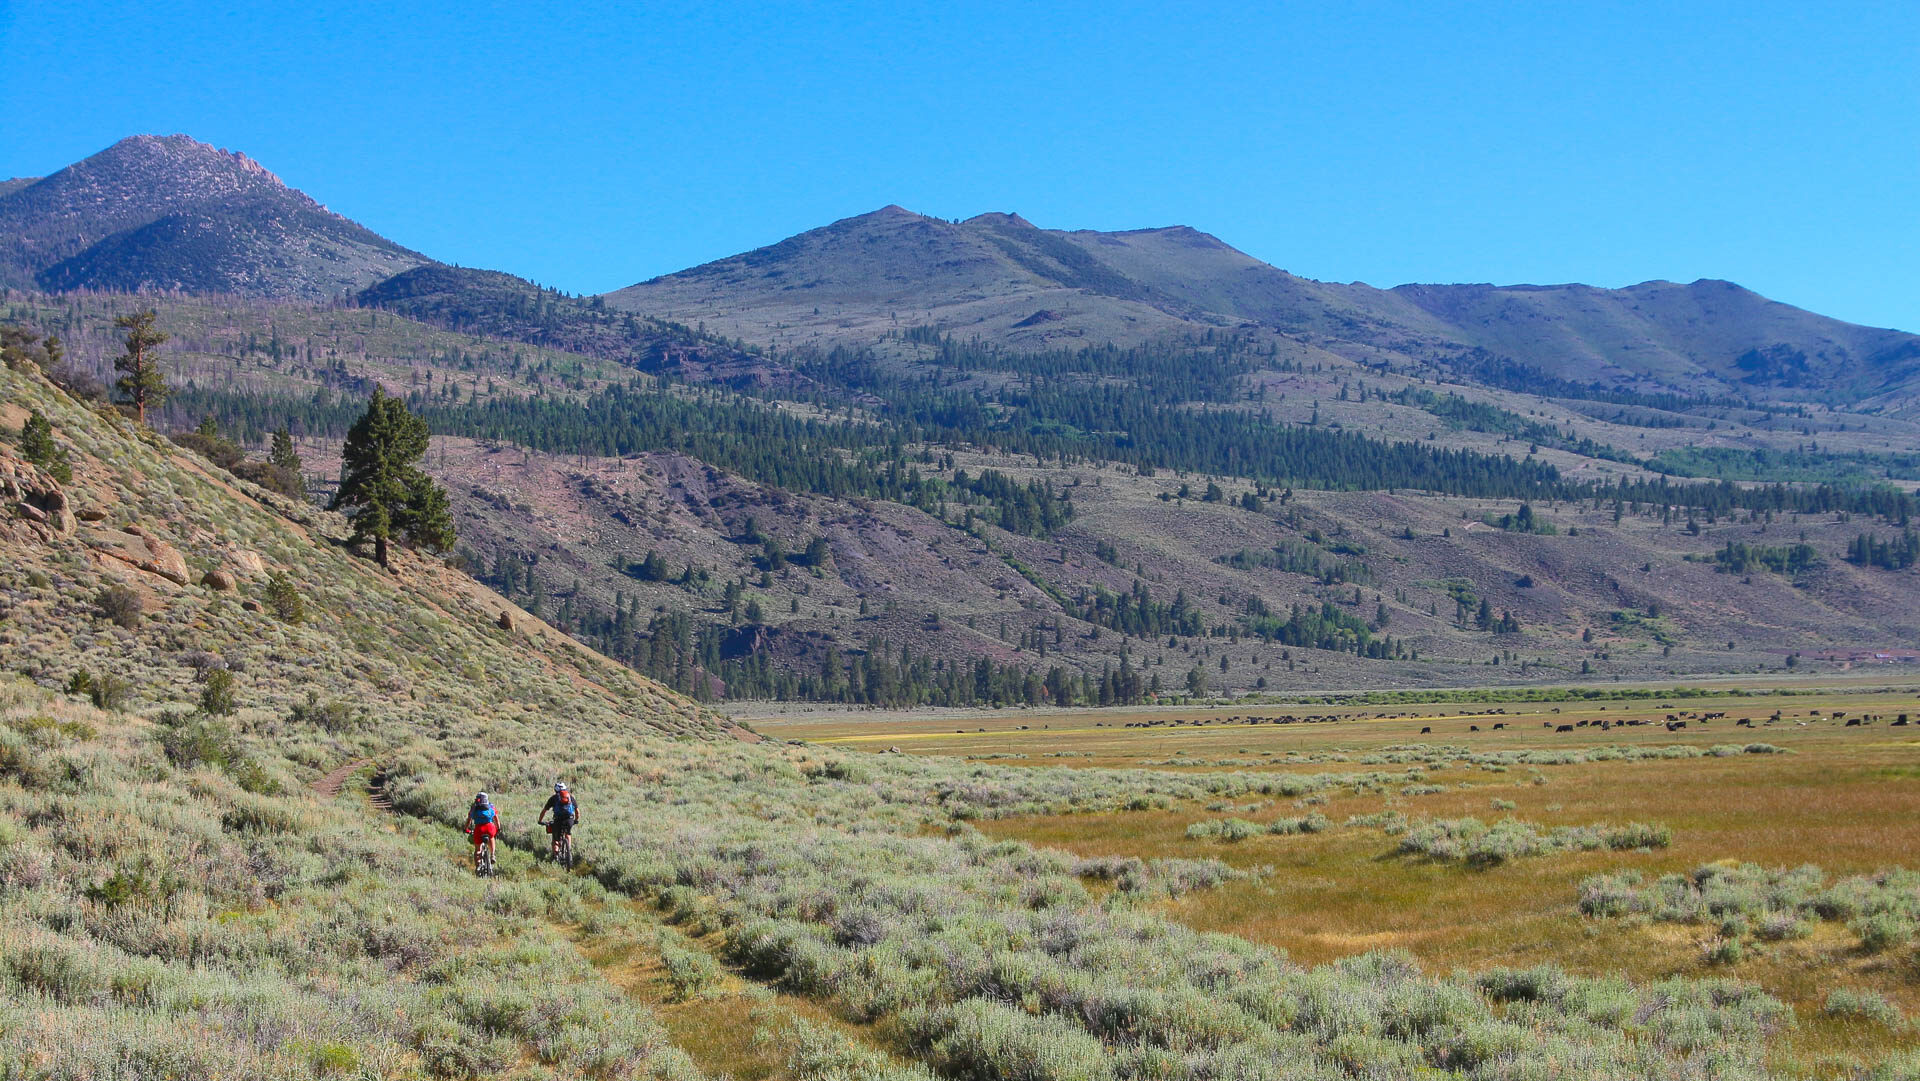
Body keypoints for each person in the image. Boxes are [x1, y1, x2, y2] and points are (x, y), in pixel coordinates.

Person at [538, 782, 579, 860]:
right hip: (569, 819)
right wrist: (576, 820)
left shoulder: (554, 798)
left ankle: (556, 856)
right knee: (568, 833)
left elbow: (544, 811)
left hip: (558, 820)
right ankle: (568, 851)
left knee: (555, 838)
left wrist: (540, 821)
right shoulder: (570, 797)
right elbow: (577, 811)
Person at [465, 792, 499, 870]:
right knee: (491, 837)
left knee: (477, 849)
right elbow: (496, 819)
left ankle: (478, 866)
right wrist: (498, 828)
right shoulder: (491, 806)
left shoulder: (474, 808)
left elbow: (468, 821)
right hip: (489, 828)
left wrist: (466, 829)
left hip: (479, 829)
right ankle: (492, 854)